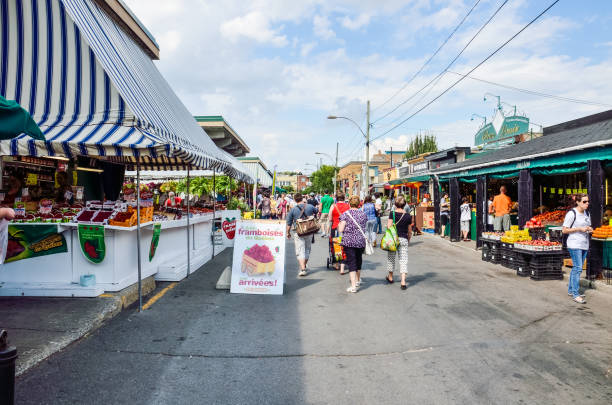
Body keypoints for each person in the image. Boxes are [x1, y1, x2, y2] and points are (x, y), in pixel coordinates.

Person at [563, 194, 592, 304]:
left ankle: (571, 289)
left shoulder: (587, 213)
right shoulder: (572, 213)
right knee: (579, 268)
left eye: (588, 201)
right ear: (578, 202)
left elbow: (587, 226)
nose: (587, 203)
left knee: (576, 268)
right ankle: (576, 294)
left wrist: (589, 229)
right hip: (574, 244)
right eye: (584, 202)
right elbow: (564, 230)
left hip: (584, 244)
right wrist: (579, 228)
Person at [338, 195, 368, 293]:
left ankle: (353, 286)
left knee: (351, 262)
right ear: (359, 203)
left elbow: (341, 229)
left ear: (349, 203)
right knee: (359, 260)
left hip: (349, 241)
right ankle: (358, 280)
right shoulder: (363, 214)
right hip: (360, 241)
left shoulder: (346, 214)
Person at [286, 193, 317, 277]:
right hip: (309, 230)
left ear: (295, 200)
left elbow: (289, 223)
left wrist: (288, 232)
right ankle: (304, 266)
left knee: (300, 250)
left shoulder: (293, 209)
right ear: (302, 198)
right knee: (307, 249)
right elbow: (317, 211)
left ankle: (303, 268)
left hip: (298, 231)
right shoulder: (309, 206)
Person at [385, 196, 412, 290]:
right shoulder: (408, 216)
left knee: (391, 258)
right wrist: (408, 240)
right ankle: (403, 281)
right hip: (403, 239)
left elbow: (389, 226)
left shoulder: (392, 213)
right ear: (404, 205)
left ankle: (390, 277)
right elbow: (410, 231)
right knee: (403, 260)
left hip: (393, 239)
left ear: (395, 204)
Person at [328, 192, 350, 273]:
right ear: (344, 198)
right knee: (345, 244)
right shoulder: (348, 206)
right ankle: (344, 260)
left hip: (335, 227)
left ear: (336, 198)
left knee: (336, 245)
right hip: (345, 228)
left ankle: (336, 263)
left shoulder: (333, 206)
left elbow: (330, 218)